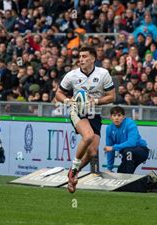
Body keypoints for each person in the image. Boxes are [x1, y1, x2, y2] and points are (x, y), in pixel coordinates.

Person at [55, 46, 115, 193]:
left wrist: (95, 101)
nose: (80, 59)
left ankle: (73, 173)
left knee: (92, 152)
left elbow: (112, 97)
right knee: (87, 136)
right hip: (78, 111)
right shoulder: (72, 75)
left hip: (95, 113)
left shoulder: (103, 74)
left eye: (84, 56)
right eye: (80, 56)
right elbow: (59, 93)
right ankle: (74, 167)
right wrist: (68, 101)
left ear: (93, 59)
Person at [104, 106, 149, 174]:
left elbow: (132, 143)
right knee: (120, 172)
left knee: (128, 151)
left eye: (119, 115)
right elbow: (109, 150)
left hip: (141, 151)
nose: (116, 118)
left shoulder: (130, 123)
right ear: (111, 117)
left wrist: (113, 147)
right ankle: (148, 179)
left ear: (123, 117)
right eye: (114, 115)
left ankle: (129, 179)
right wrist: (109, 168)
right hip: (127, 153)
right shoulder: (109, 128)